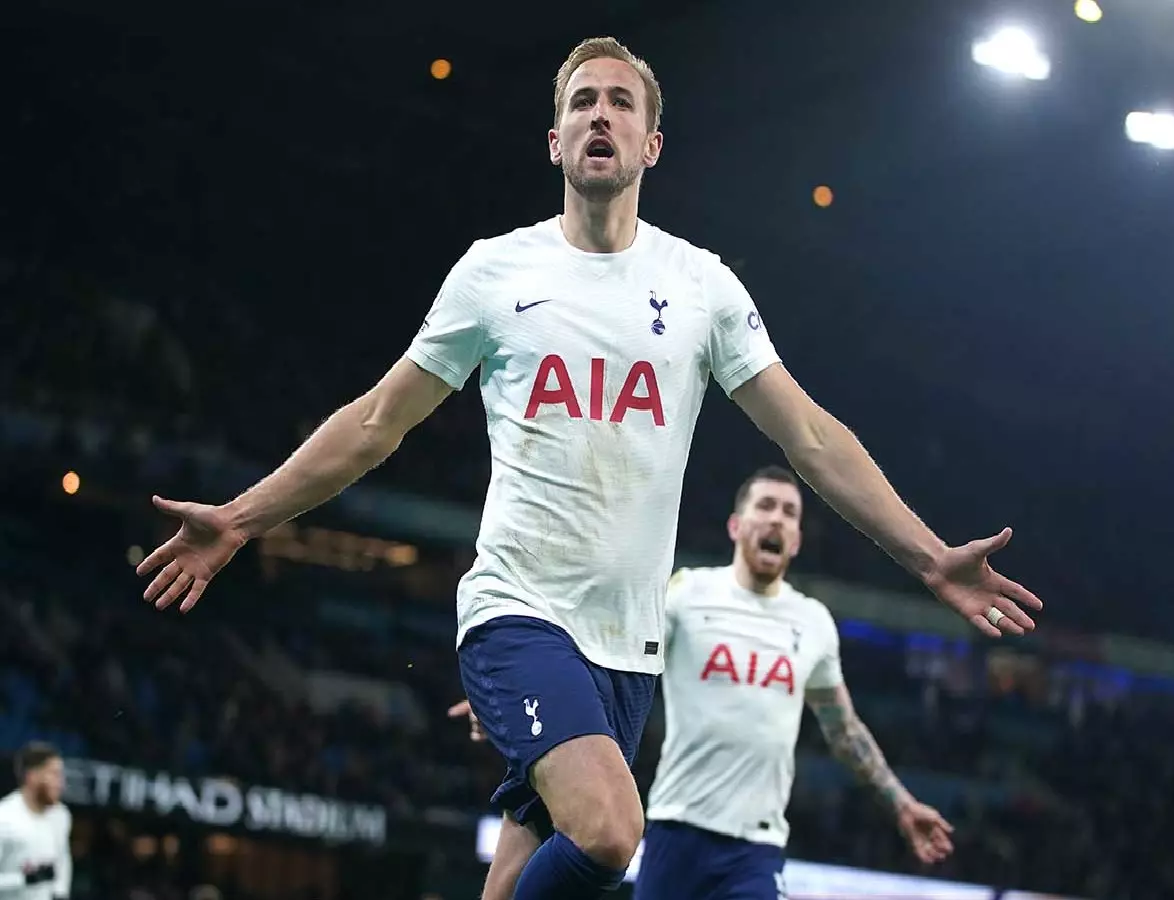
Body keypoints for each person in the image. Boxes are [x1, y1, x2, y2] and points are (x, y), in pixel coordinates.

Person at [136, 36, 1042, 900]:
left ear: (651, 142)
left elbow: (809, 435)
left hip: (629, 649)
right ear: (555, 139)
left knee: (520, 873)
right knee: (611, 832)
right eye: (581, 102)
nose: (599, 115)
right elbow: (376, 422)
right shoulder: (495, 273)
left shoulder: (702, 288)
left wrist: (928, 556)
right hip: (517, 612)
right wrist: (243, 518)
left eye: (620, 103)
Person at [449, 466, 954, 899]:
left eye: (790, 512)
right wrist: (513, 697)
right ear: (737, 525)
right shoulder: (688, 594)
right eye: (766, 506)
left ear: (797, 540)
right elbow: (603, 646)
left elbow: (843, 730)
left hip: (757, 848)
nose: (777, 518)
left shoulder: (814, 622)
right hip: (675, 832)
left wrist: (902, 804)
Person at [0, 742, 73, 900]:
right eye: (54, 774)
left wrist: (61, 893)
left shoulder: (61, 815)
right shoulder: (4, 818)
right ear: (32, 776)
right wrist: (25, 879)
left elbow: (62, 861)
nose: (61, 783)